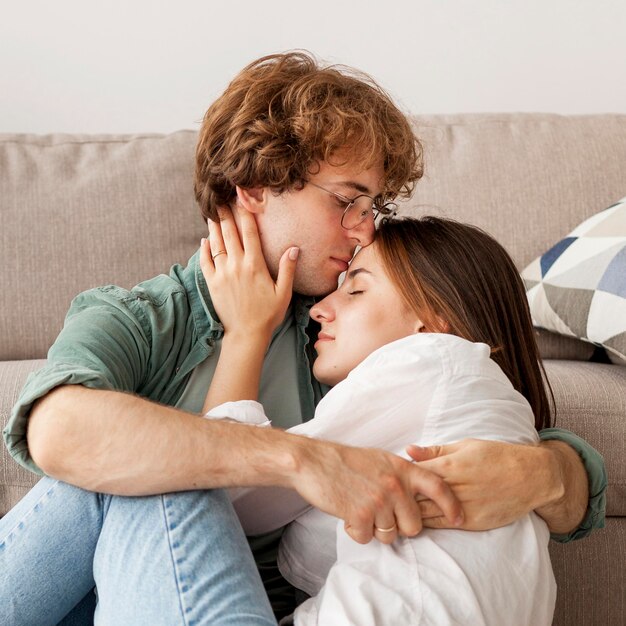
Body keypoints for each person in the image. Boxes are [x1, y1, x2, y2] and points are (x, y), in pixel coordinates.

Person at [0, 52, 605, 625]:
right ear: (255, 186)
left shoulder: (340, 323)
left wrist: (544, 472)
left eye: (373, 204)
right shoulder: (138, 319)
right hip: (121, 588)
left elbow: (485, 413)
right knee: (142, 463)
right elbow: (57, 431)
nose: (366, 226)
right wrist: (305, 460)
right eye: (347, 200)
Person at [198, 215, 558, 624]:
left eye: (356, 289)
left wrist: (245, 332)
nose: (319, 309)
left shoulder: (430, 360)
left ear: (433, 318)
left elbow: (230, 495)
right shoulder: (482, 402)